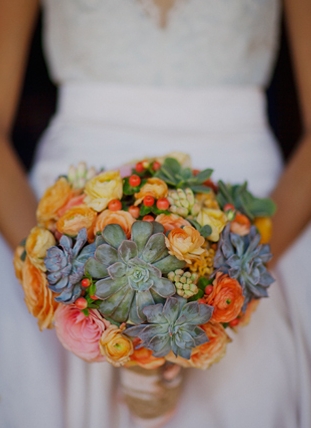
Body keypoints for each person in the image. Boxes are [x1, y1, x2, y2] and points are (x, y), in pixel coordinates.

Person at [0, 0, 310, 427]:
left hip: (255, 215)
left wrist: (236, 277)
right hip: (65, 218)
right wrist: (61, 281)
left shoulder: (244, 261)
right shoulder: (61, 264)